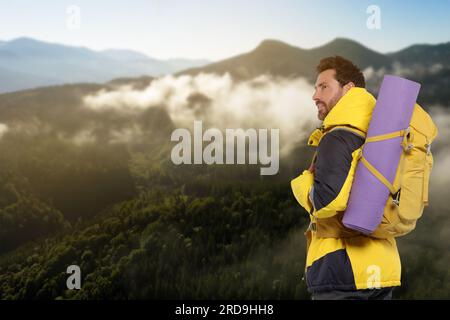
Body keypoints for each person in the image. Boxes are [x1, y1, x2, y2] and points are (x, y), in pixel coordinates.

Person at [291, 56, 400, 300]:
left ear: (348, 89)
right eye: (316, 87)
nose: (315, 96)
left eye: (324, 87)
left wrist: (302, 183)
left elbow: (326, 202)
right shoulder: (379, 135)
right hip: (382, 269)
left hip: (341, 272)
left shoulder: (337, 137)